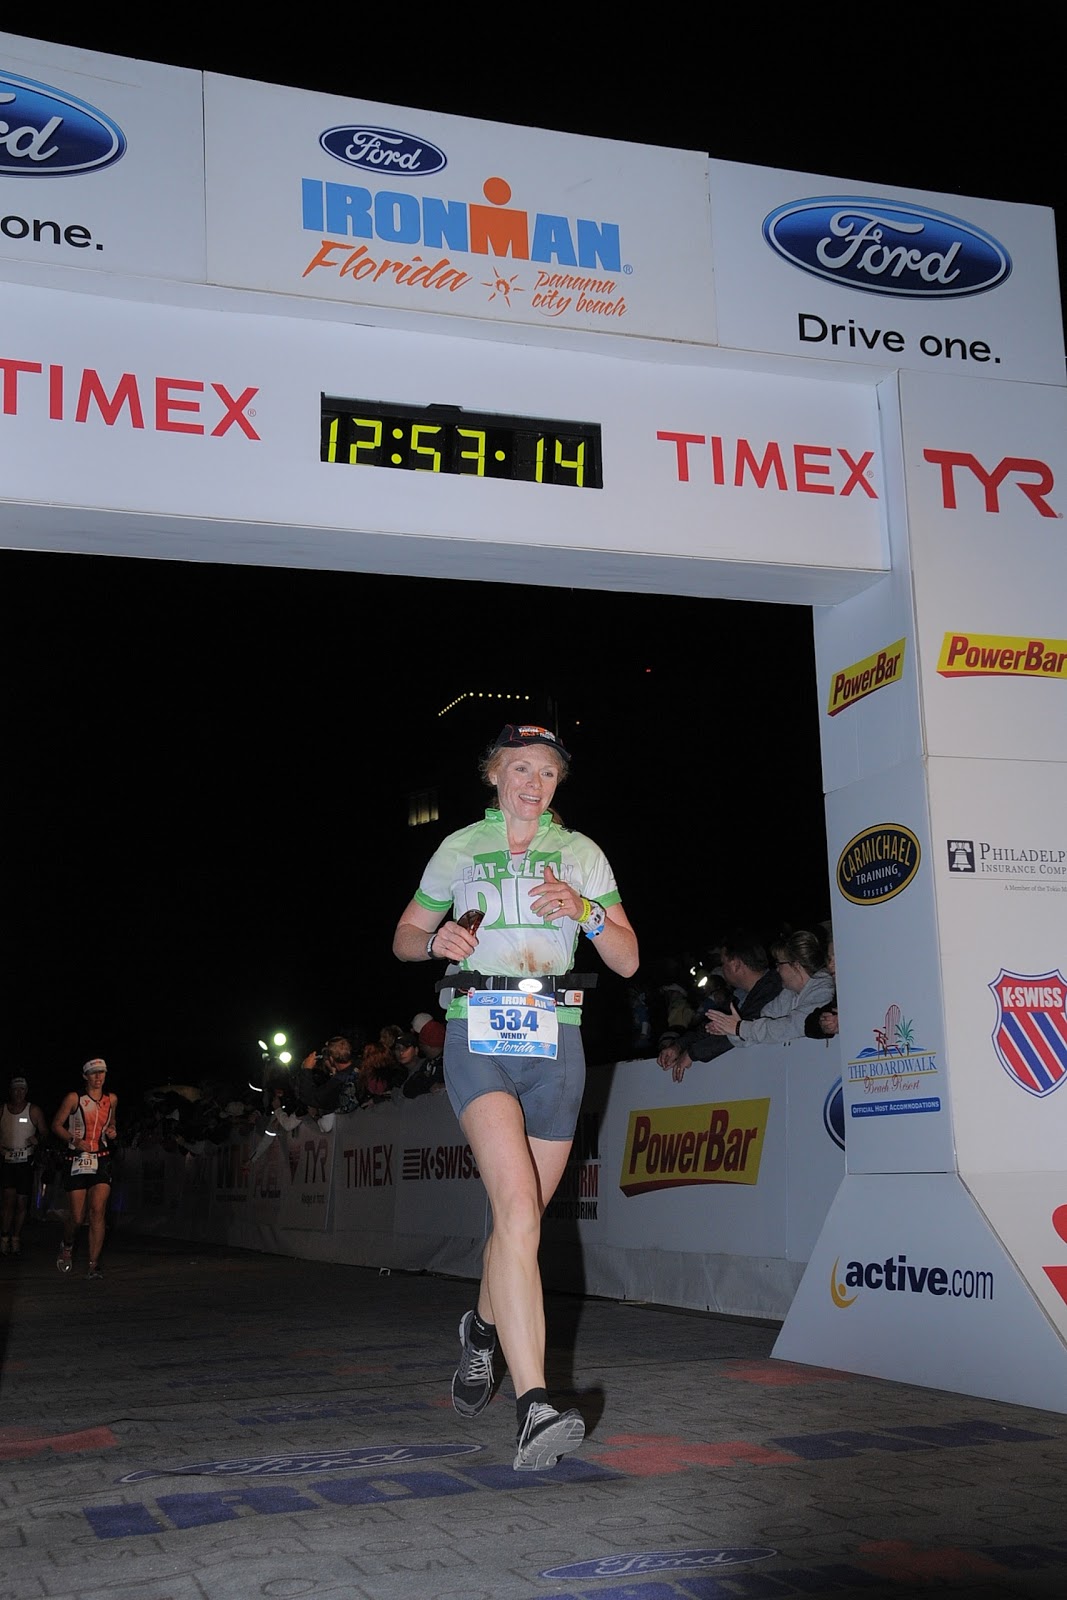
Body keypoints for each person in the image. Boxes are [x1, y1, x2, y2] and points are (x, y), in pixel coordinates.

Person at [392, 722, 638, 1471]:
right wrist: (434, 942)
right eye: (520, 768)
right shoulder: (460, 846)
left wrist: (585, 911)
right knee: (517, 1211)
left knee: (518, 1226)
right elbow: (404, 936)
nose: (534, 783)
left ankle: (481, 1330)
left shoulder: (581, 852)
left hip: (556, 1038)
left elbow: (627, 959)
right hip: (478, 1032)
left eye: (547, 772)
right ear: (494, 775)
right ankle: (535, 1405)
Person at [658, 933, 783, 1081]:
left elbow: (745, 1032)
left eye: (723, 963)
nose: (721, 969)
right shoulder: (738, 997)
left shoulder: (774, 989)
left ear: (736, 964)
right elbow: (708, 1028)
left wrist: (693, 1053)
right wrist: (678, 1046)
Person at [705, 929, 834, 1047]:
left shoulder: (824, 988)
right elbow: (757, 1027)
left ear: (796, 965)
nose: (777, 969)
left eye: (779, 964)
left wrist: (740, 1028)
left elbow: (794, 1026)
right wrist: (733, 1030)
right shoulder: (788, 994)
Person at [51, 1058, 118, 1279]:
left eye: (102, 1073)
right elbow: (56, 1125)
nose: (98, 1077)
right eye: (94, 1073)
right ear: (85, 1076)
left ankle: (93, 1264)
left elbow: (111, 1123)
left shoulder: (111, 1099)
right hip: (77, 1159)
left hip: (102, 1158)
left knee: (97, 1211)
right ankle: (67, 1244)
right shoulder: (74, 1098)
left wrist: (112, 1131)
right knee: (78, 1217)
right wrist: (74, 1140)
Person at [1, 1076, 49, 1256]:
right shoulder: (2, 1110)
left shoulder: (33, 1110)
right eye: (16, 1089)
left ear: (26, 1091)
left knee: (22, 1201)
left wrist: (38, 1139)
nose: (19, 1093)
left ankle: (16, 1237)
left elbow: (45, 1132)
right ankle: (4, 1237)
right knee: (8, 1200)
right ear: (10, 1091)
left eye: (22, 1089)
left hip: (25, 1161)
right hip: (7, 1159)